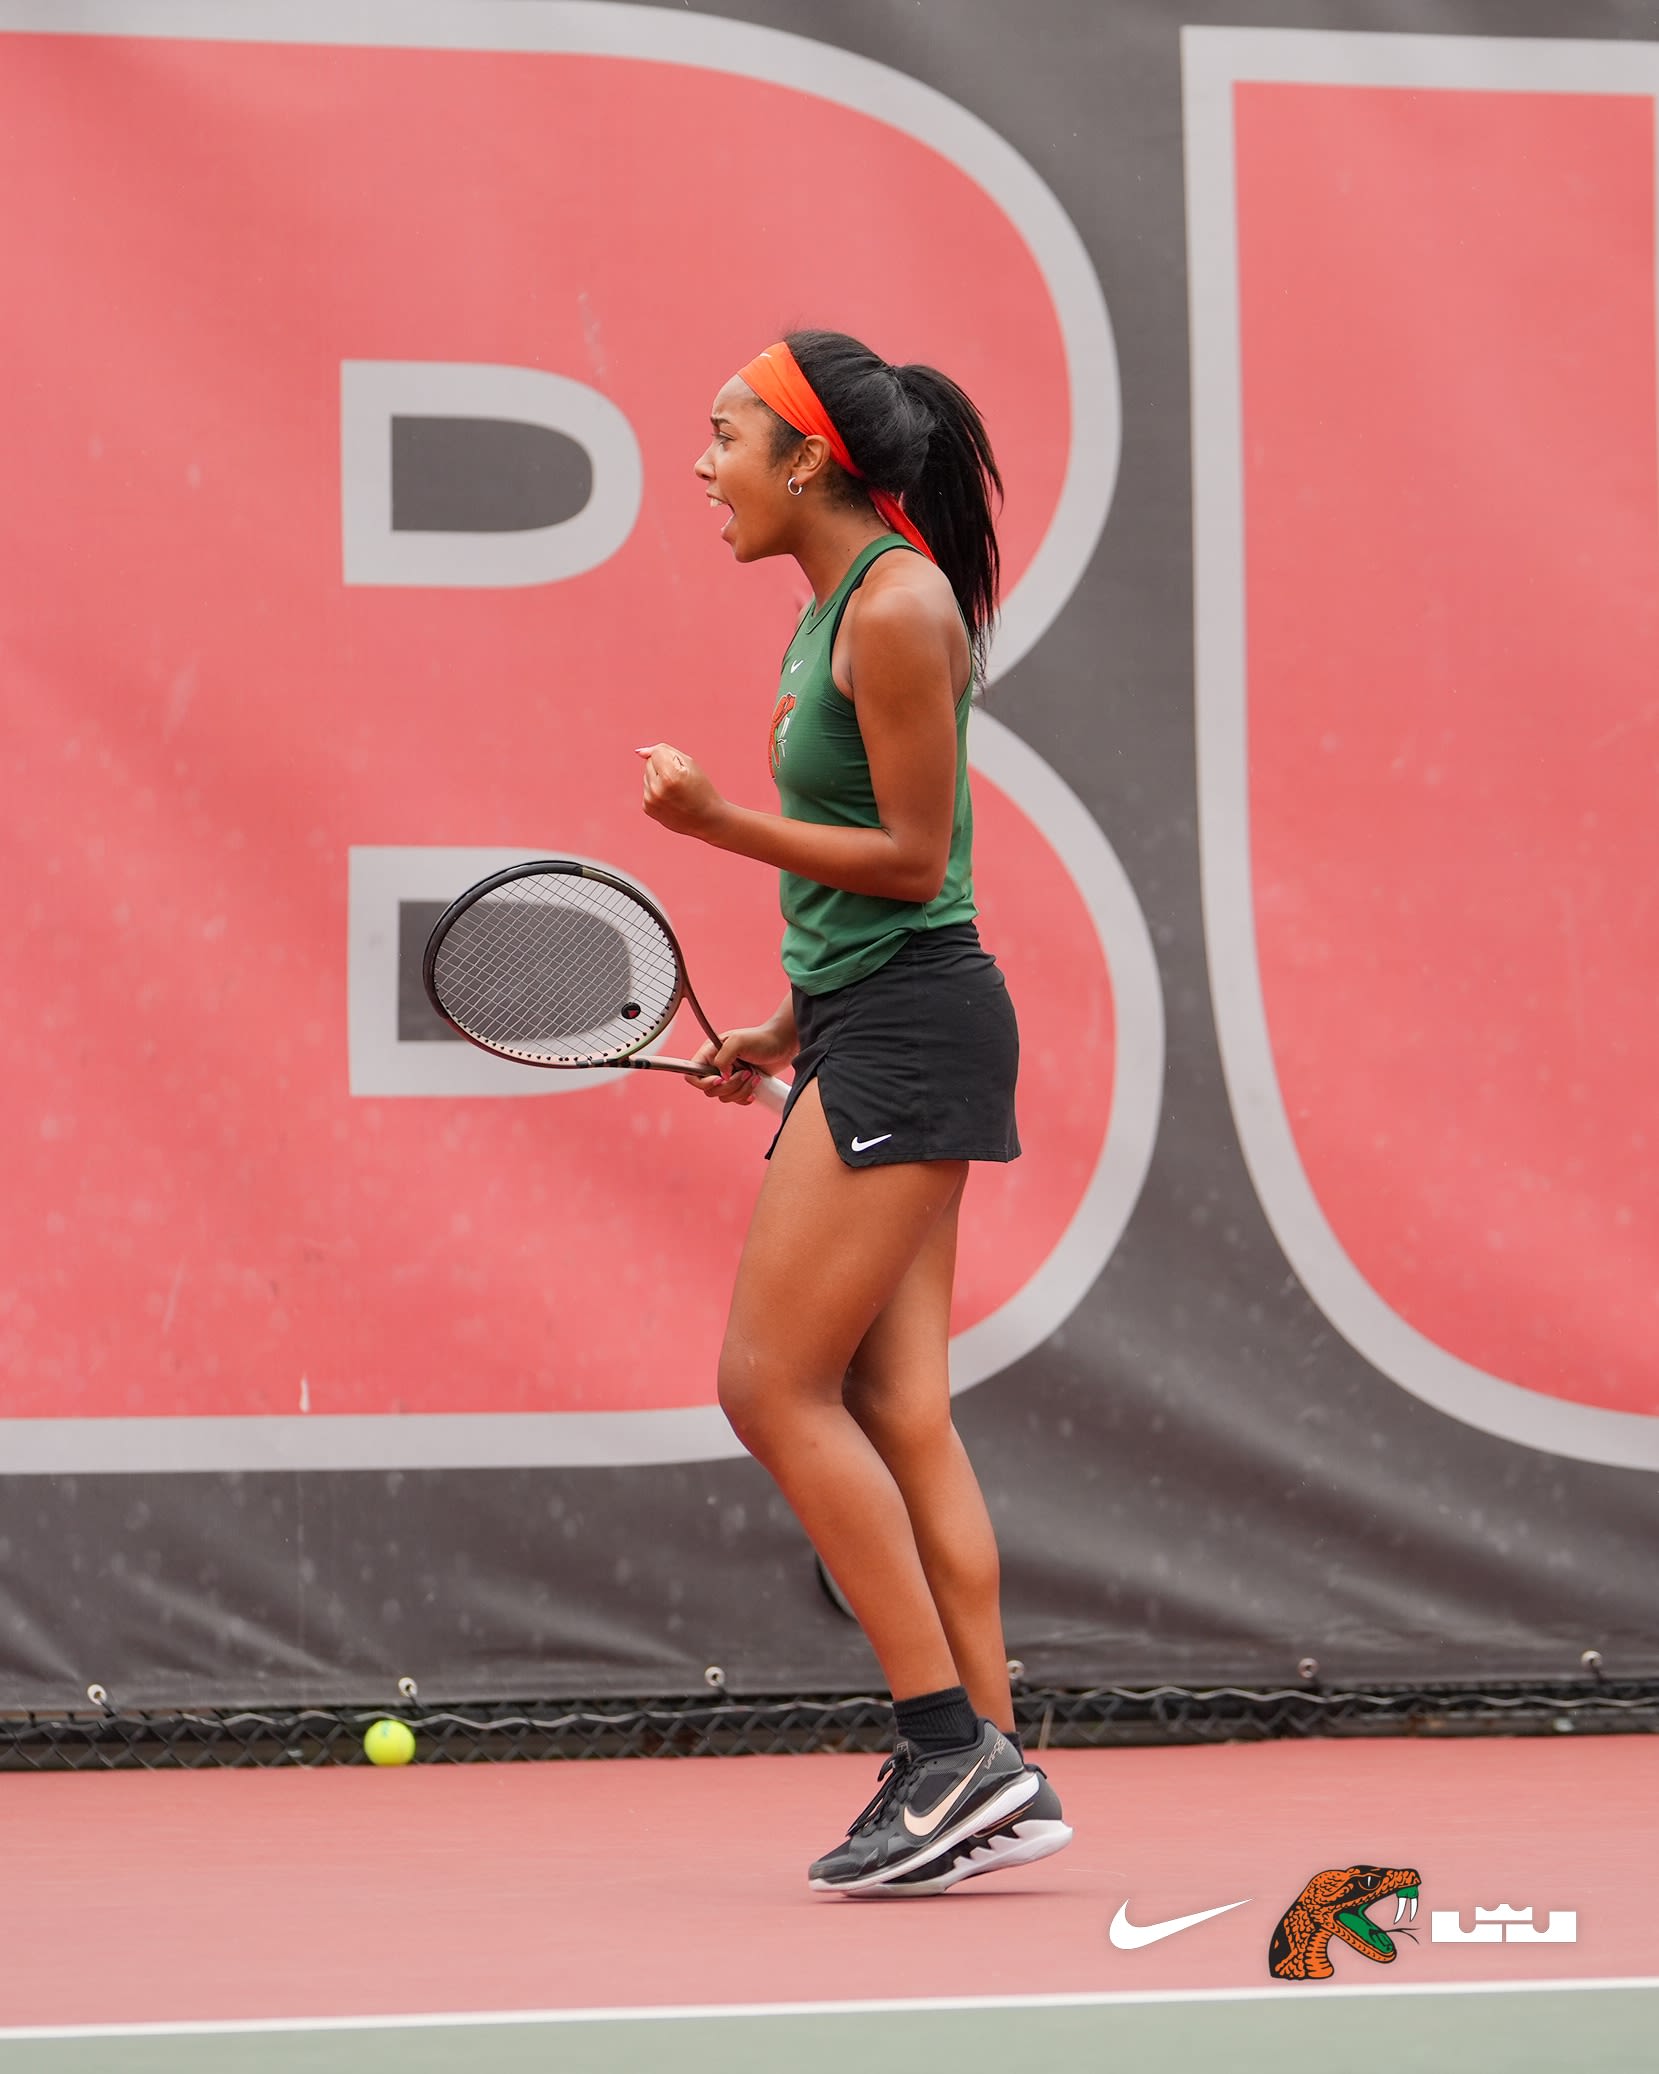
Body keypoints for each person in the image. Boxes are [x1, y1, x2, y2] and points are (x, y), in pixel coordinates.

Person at [637, 330, 1071, 1895]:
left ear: (807, 458)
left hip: (912, 1030)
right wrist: (785, 1019)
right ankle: (995, 1772)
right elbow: (882, 885)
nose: (704, 466)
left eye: (725, 435)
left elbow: (910, 856)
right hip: (871, 1020)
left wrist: (715, 822)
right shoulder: (836, 607)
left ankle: (952, 1749)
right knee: (899, 1408)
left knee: (769, 1384)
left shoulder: (894, 605)